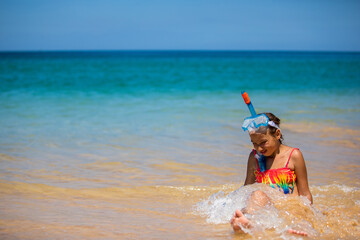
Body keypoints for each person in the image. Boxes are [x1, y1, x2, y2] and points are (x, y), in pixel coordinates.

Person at [230, 112, 312, 236]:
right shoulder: (254, 158)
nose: (259, 148)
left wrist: (307, 219)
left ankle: (298, 227)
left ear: (277, 134)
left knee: (296, 204)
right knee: (257, 194)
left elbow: (305, 194)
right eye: (254, 143)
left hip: (289, 208)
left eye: (263, 142)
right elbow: (246, 189)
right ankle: (247, 222)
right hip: (267, 210)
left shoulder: (294, 156)